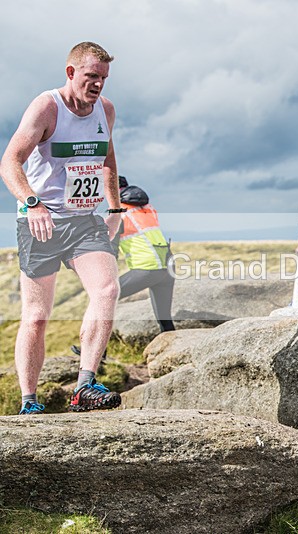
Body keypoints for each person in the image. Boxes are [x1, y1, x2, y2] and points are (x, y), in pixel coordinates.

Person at [0, 42, 123, 415]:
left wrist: (115, 207)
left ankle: (84, 384)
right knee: (37, 317)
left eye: (103, 78)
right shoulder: (47, 107)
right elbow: (10, 162)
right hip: (43, 222)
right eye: (91, 77)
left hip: (85, 221)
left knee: (107, 289)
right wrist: (32, 203)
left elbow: (107, 157)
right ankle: (29, 401)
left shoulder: (106, 110)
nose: (98, 84)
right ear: (71, 73)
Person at [72, 175, 175, 358]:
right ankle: (173, 357)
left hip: (146, 270)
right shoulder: (146, 207)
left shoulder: (118, 213)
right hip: (167, 268)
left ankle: (97, 353)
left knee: (101, 300)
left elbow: (110, 250)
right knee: (165, 321)